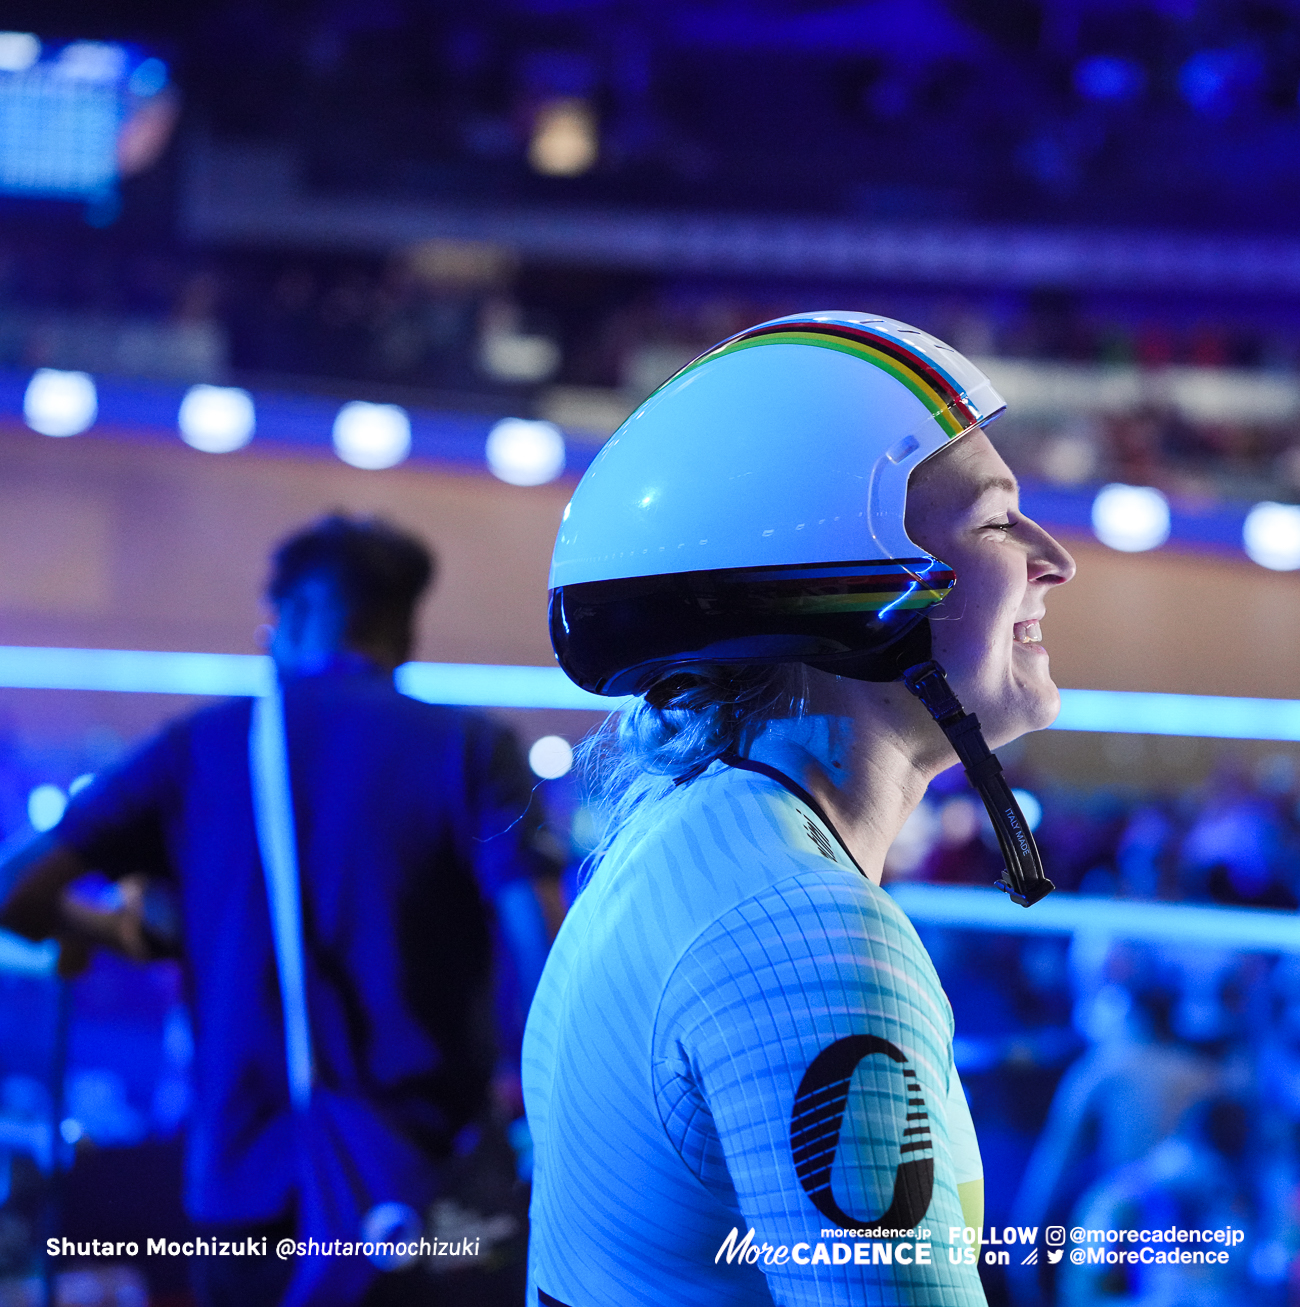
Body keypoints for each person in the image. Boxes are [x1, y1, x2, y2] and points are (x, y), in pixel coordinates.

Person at [523, 310, 1076, 1304]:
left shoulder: (688, 835)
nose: (1052, 557)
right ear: (857, 589)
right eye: (997, 519)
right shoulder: (808, 938)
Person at [0, 514, 556, 1307]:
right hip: (431, 1182)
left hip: (246, 1180)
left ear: (293, 616)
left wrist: (120, 933)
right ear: (404, 628)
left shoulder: (202, 749)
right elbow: (542, 949)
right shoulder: (470, 749)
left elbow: (15, 889)